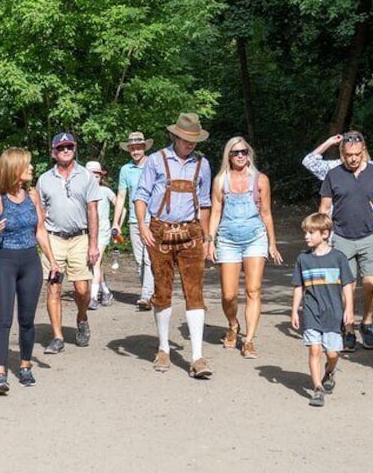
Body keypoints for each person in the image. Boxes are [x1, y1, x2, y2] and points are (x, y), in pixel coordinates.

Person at [135, 113, 213, 379]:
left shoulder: (202, 164)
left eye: (194, 140)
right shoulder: (156, 160)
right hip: (159, 231)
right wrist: (143, 226)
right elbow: (141, 195)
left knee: (195, 291)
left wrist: (207, 237)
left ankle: (198, 356)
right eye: (187, 139)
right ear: (176, 136)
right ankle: (163, 347)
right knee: (162, 289)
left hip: (191, 231)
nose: (191, 144)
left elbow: (204, 203)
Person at [0, 148, 60, 394]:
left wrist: (52, 260)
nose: (32, 168)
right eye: (28, 165)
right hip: (5, 261)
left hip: (30, 261)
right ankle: (0, 373)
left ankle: (25, 365)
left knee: (27, 319)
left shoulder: (32, 195)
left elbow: (40, 230)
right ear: (14, 169)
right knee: (2, 320)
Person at [303, 133, 373, 333]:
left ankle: (367, 321)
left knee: (372, 284)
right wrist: (320, 236)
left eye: (357, 154)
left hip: (371, 235)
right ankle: (348, 328)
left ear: (364, 151)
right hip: (341, 236)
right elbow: (324, 208)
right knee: (346, 287)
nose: (353, 159)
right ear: (343, 153)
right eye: (349, 154)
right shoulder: (333, 173)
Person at [206, 137, 282, 359]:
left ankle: (249, 340)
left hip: (254, 238)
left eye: (244, 151)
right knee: (229, 295)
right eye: (235, 152)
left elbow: (266, 213)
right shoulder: (221, 180)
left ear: (249, 154)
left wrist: (272, 243)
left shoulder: (261, 180)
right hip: (228, 238)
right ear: (228, 155)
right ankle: (232, 324)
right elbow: (216, 212)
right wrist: (210, 240)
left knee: (253, 290)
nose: (240, 156)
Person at [36, 132, 101, 353]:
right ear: (54, 152)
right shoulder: (44, 179)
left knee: (82, 288)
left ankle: (82, 318)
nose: (66, 151)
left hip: (80, 238)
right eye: (61, 148)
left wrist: (94, 244)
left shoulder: (87, 176)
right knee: (53, 287)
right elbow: (40, 214)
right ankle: (57, 336)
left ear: (74, 150)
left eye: (69, 147)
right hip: (54, 238)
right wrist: (41, 241)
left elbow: (93, 211)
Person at [291, 213, 355, 407]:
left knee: (333, 353)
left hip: (333, 312)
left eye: (311, 232)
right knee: (315, 349)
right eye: (306, 233)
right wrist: (294, 310)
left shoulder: (338, 258)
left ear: (325, 233)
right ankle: (318, 388)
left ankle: (329, 371)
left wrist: (349, 309)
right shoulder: (303, 259)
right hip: (311, 310)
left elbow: (347, 285)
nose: (306, 237)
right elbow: (298, 287)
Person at [112, 131, 155, 310]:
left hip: (153, 218)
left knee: (149, 259)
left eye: (138, 148)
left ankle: (146, 295)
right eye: (132, 148)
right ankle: (150, 293)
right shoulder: (125, 170)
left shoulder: (153, 164)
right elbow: (121, 196)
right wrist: (116, 222)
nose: (136, 151)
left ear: (144, 148)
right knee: (139, 260)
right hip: (133, 221)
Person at [86, 161, 117, 310]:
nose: (94, 179)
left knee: (95, 262)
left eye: (97, 176)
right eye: (91, 176)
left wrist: (116, 224)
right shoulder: (83, 192)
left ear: (101, 177)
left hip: (103, 230)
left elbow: (120, 207)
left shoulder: (105, 191)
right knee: (94, 263)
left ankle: (92, 297)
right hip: (88, 232)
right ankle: (105, 291)